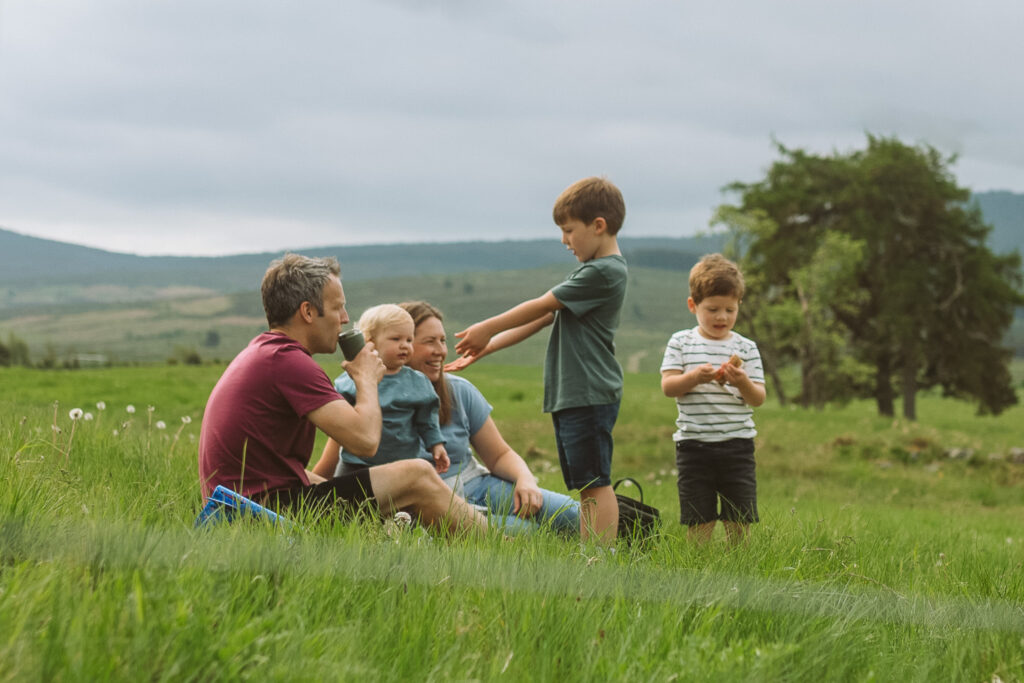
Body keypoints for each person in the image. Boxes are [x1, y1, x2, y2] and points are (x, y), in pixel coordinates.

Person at [197, 253, 486, 535]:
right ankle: (499, 546)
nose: (346, 319)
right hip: (259, 514)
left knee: (333, 483)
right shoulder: (291, 362)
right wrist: (367, 379)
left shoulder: (265, 352)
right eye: (338, 308)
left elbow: (287, 471)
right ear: (308, 312)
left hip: (240, 504)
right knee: (418, 475)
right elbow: (365, 441)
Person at [449, 177, 628, 543]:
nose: (565, 240)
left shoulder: (604, 272)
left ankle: (599, 557)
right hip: (575, 393)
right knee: (585, 482)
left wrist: (486, 326)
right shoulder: (590, 272)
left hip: (589, 391)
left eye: (568, 230)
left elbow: (542, 304)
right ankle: (590, 553)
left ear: (598, 226)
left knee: (595, 484)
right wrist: (489, 347)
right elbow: (547, 317)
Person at [314, 300, 579, 535]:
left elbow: (498, 455)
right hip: (427, 500)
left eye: (442, 341)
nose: (440, 350)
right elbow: (334, 464)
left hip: (473, 484)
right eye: (428, 341)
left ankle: (616, 525)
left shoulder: (459, 390)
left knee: (570, 515)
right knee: (526, 532)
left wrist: (525, 479)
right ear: (385, 343)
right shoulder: (369, 396)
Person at [659, 253, 766, 543]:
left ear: (739, 306)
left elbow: (757, 398)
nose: (722, 317)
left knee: (739, 514)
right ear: (693, 305)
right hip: (694, 445)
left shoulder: (746, 348)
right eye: (713, 309)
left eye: (730, 310)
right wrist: (694, 377)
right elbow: (668, 386)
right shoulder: (681, 342)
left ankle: (738, 564)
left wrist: (742, 381)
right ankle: (698, 564)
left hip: (737, 445)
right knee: (698, 514)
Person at [323, 304, 450, 475]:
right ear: (370, 342)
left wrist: (436, 445)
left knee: (399, 501)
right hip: (355, 463)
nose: (404, 345)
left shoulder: (418, 382)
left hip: (401, 465)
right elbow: (337, 415)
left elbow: (427, 420)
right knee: (343, 499)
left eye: (409, 340)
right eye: (396, 339)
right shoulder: (352, 379)